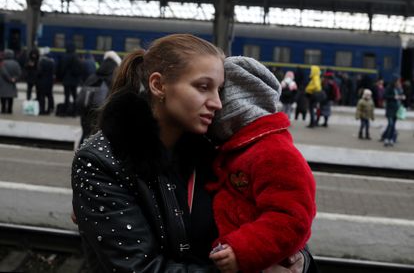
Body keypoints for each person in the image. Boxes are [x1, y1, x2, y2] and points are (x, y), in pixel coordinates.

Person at [71, 34, 309, 273]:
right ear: (158, 85)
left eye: (219, 90)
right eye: (203, 87)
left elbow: (276, 219)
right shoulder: (101, 162)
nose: (217, 102)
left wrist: (298, 259)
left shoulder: (214, 152)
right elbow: (139, 268)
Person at [208, 56, 317, 273]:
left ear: (233, 106)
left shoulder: (272, 153)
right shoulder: (239, 148)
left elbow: (290, 218)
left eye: (217, 93)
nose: (212, 103)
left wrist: (242, 250)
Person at [78, 50, 122, 144]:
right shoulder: (114, 79)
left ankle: (79, 156)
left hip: (86, 113)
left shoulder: (92, 77)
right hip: (103, 116)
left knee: (85, 136)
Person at [58, 42, 83, 113]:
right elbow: (80, 68)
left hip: (66, 80)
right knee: (75, 96)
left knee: (66, 96)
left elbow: (61, 69)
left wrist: (61, 77)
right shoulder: (76, 57)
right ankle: (75, 111)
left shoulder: (64, 56)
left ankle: (66, 111)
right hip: (74, 80)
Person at [381, 77, 405, 147]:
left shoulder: (399, 88)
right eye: (397, 81)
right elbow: (384, 96)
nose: (398, 83)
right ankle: (386, 139)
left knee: (393, 125)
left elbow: (401, 95)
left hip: (396, 109)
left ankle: (391, 139)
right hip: (390, 109)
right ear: (394, 82)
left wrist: (402, 96)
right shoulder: (389, 88)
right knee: (390, 124)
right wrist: (394, 97)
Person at [0, 50, 21, 114]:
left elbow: (3, 72)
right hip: (12, 84)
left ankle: (3, 109)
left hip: (3, 83)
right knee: (10, 97)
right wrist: (14, 79)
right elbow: (19, 73)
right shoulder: (16, 63)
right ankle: (10, 109)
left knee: (3, 97)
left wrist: (9, 79)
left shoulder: (2, 63)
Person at [36, 47, 55, 115]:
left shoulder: (41, 62)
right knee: (49, 95)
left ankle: (42, 110)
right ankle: (50, 108)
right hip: (50, 81)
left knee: (42, 96)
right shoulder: (52, 61)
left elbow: (39, 72)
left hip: (42, 81)